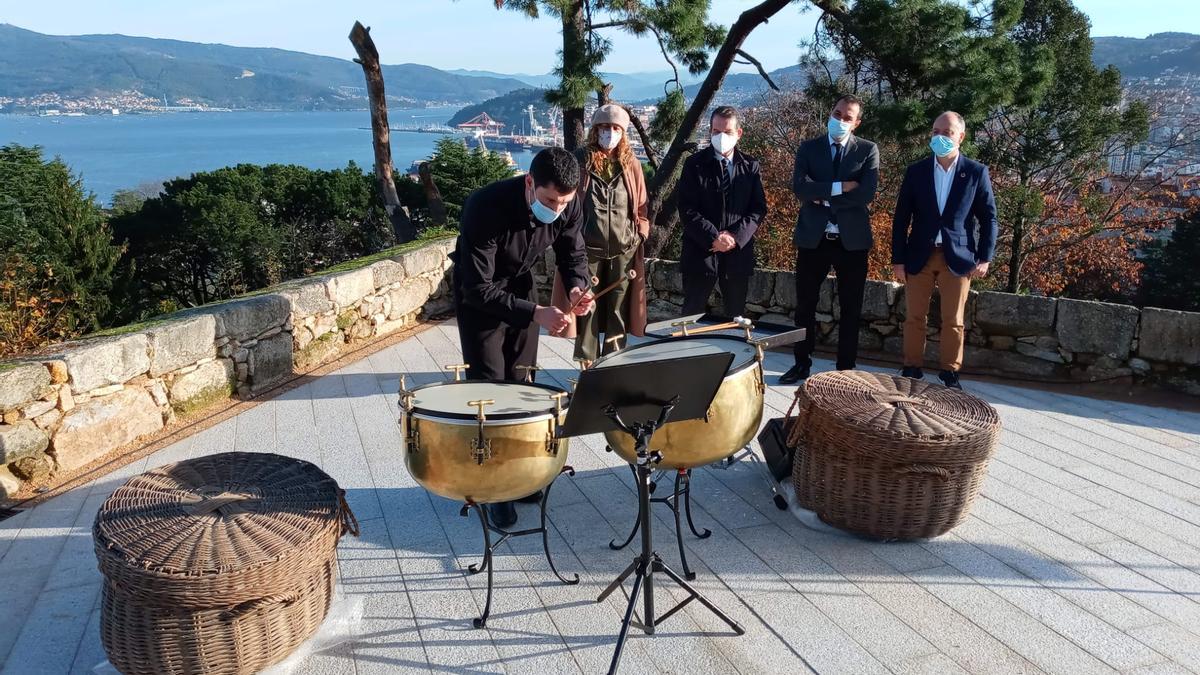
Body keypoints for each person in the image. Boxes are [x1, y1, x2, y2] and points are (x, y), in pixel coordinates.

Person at [451, 147, 595, 527]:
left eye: (565, 202)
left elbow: (573, 254)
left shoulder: (570, 202)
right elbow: (477, 288)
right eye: (550, 200)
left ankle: (520, 475)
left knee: (522, 382)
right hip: (479, 297)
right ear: (530, 183)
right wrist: (537, 313)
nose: (558, 209)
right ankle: (495, 487)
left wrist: (579, 289)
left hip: (521, 286)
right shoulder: (485, 206)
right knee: (490, 390)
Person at [891, 111, 998, 389]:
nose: (940, 137)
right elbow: (901, 217)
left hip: (959, 257)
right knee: (915, 316)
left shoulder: (975, 172)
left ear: (960, 137)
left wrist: (985, 257)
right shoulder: (917, 171)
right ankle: (911, 367)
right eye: (936, 131)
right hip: (919, 255)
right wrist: (898, 260)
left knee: (954, 320)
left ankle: (949, 372)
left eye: (947, 132)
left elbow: (989, 218)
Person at [780, 94, 880, 385]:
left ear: (856, 122)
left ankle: (845, 369)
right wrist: (841, 187)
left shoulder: (867, 150)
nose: (840, 120)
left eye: (847, 117)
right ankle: (801, 364)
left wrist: (822, 194)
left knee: (851, 308)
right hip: (814, 239)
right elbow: (800, 189)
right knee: (805, 307)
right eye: (837, 113)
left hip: (852, 241)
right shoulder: (809, 148)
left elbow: (866, 194)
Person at [549, 104, 649, 367]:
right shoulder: (580, 160)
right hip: (587, 250)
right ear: (595, 130)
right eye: (605, 127)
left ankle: (614, 361)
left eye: (616, 128)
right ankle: (587, 363)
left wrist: (640, 234)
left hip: (623, 249)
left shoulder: (631, 164)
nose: (610, 133)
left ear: (623, 133)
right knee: (586, 306)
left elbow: (641, 206)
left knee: (618, 309)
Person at [678, 106, 768, 318]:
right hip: (700, 253)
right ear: (710, 131)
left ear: (738, 133)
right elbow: (686, 208)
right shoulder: (694, 164)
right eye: (716, 131)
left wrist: (734, 237)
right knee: (691, 315)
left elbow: (758, 208)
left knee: (735, 318)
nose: (721, 137)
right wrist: (713, 237)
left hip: (737, 255)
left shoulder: (750, 166)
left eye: (726, 132)